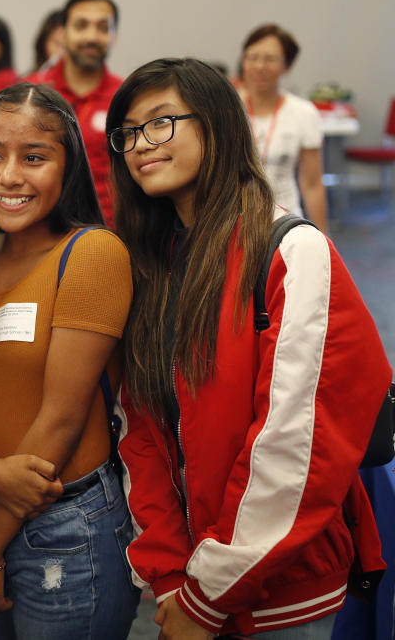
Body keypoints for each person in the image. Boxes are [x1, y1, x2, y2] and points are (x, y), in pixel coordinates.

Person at [106, 57, 390, 639]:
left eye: (161, 122)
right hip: (187, 582)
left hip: (282, 590)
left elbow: (295, 449)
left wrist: (206, 596)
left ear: (218, 125)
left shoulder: (291, 250)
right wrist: (169, 573)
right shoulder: (149, 264)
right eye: (128, 132)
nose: (140, 144)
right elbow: (140, 428)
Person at [0, 82, 139, 639]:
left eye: (34, 158)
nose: (9, 177)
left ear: (68, 164)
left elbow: (63, 418)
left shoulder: (92, 253)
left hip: (68, 528)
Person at [29, 0, 122, 226]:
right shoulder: (31, 93)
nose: (91, 37)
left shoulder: (126, 96)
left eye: (102, 28)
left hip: (107, 233)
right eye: (81, 26)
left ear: (114, 35)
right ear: (63, 33)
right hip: (38, 231)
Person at [238, 24, 328, 232]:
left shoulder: (303, 113)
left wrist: (323, 237)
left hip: (285, 223)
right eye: (252, 57)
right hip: (235, 221)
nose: (260, 66)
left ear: (286, 66)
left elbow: (313, 183)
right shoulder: (226, 108)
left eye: (270, 59)